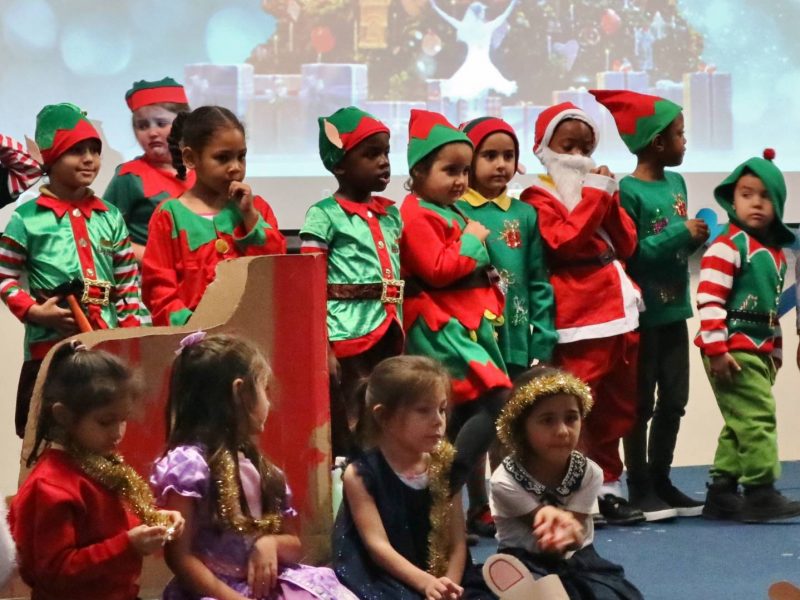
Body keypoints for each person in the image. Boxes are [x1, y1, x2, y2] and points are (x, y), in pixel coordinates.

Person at [151, 332, 356, 599]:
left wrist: (271, 543)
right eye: (264, 389)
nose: (269, 402)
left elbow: (294, 545)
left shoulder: (264, 470)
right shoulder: (189, 465)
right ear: (240, 392)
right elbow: (179, 556)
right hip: (216, 592)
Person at [520, 102, 644, 526]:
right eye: (567, 146)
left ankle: (608, 485)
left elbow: (627, 244)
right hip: (579, 318)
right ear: (544, 148)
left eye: (585, 147)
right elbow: (565, 243)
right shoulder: (537, 197)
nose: (577, 156)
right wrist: (596, 194)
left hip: (621, 313)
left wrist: (609, 196)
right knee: (576, 406)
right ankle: (573, 489)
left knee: (616, 406)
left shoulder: (596, 189)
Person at [591, 89, 708, 520]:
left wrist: (695, 239)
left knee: (674, 399)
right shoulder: (628, 191)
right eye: (679, 134)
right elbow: (634, 253)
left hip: (676, 311)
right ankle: (639, 484)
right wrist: (681, 233)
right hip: (643, 316)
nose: (684, 141)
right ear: (658, 142)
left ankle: (662, 478)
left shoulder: (677, 184)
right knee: (639, 402)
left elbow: (675, 247)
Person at [0, 103, 143, 438]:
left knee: (105, 431)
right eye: (76, 151)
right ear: (51, 159)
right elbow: (4, 276)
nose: (89, 159)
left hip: (106, 345)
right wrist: (34, 311)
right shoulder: (27, 218)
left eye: (94, 150)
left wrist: (131, 338)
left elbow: (128, 283)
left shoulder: (110, 216)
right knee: (48, 433)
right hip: (49, 349)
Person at [9, 341, 184, 600]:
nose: (117, 433)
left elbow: (108, 527)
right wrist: (128, 544)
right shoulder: (50, 486)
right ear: (64, 416)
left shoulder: (97, 464)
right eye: (105, 422)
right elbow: (55, 572)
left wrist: (155, 522)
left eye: (122, 420)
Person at [400, 109, 511, 501]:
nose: (461, 180)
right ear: (418, 172)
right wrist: (472, 239)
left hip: (463, 326)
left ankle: (443, 500)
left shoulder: (448, 210)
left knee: (463, 411)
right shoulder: (415, 213)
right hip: (441, 327)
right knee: (498, 400)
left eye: (464, 171)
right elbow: (437, 269)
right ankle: (444, 487)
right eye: (450, 171)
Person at [457, 116, 556, 538]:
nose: (500, 164)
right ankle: (476, 504)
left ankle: (506, 503)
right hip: (476, 337)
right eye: (489, 155)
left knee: (509, 424)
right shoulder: (456, 210)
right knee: (475, 422)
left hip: (514, 335)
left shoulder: (525, 215)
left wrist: (542, 336)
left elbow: (537, 280)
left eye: (508, 156)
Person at [332, 355, 494, 599]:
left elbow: (457, 543)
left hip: (444, 574)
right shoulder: (361, 475)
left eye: (442, 409)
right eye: (423, 411)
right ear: (383, 416)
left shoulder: (446, 466)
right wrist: (426, 583)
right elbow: (378, 547)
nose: (438, 421)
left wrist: (448, 585)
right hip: (388, 575)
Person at [695, 150, 800, 523]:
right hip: (731, 348)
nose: (755, 202)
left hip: (757, 350)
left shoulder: (775, 255)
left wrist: (776, 352)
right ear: (732, 199)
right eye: (746, 194)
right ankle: (760, 491)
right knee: (758, 418)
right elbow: (709, 299)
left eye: (765, 196)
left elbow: (771, 309)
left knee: (740, 420)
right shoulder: (728, 246)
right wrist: (716, 349)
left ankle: (722, 492)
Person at [300, 106, 403, 457]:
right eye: (371, 154)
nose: (383, 162)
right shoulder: (324, 214)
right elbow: (309, 284)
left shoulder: (391, 214)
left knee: (385, 413)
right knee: (351, 418)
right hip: (346, 333)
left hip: (389, 330)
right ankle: (350, 477)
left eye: (386, 152)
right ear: (340, 164)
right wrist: (323, 346)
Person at [490, 366, 644, 599]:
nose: (562, 431)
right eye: (547, 420)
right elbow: (548, 539)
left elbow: (568, 540)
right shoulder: (504, 481)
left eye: (571, 418)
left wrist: (573, 533)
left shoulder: (590, 473)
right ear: (521, 427)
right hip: (524, 561)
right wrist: (563, 532)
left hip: (578, 559)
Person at [142, 106, 286, 326]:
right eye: (222, 158)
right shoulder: (169, 216)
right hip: (192, 339)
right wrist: (193, 331)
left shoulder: (256, 208)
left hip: (252, 332)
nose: (235, 167)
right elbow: (159, 291)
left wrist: (249, 216)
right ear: (190, 158)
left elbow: (275, 270)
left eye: (241, 157)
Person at [104, 77, 193, 262]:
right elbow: (102, 236)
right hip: (150, 276)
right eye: (142, 126)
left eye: (161, 124)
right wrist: (153, 259)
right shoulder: (129, 176)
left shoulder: (205, 171)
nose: (152, 133)